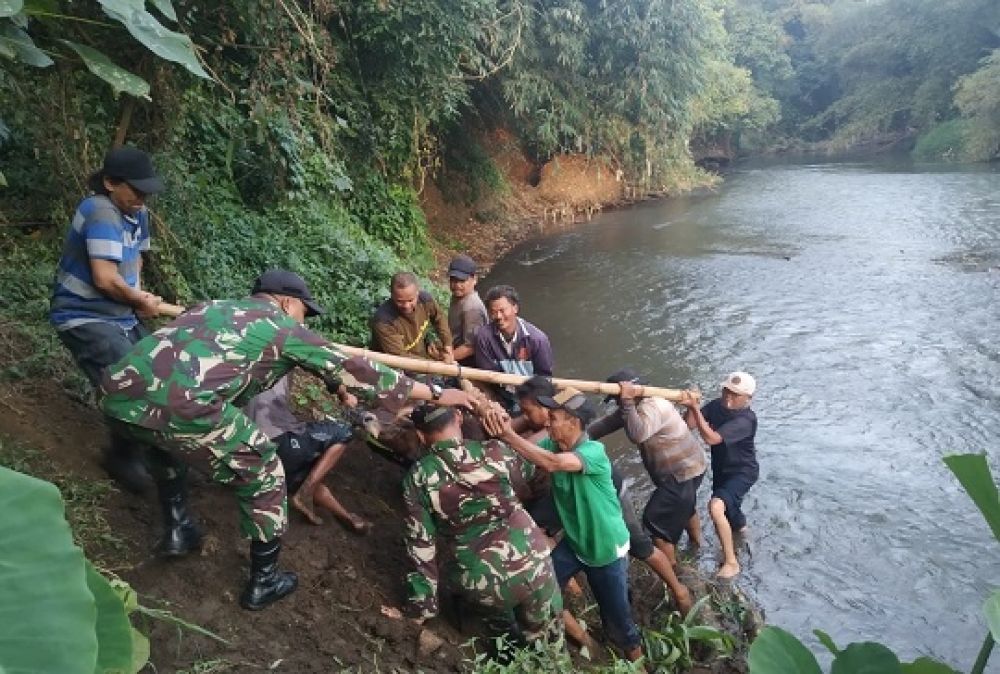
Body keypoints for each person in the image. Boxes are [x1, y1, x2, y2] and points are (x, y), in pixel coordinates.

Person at [98, 269, 470, 610]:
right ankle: (264, 581)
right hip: (185, 406)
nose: (304, 322)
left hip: (119, 395)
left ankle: (179, 529)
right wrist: (438, 394)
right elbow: (356, 369)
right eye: (304, 313)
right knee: (264, 470)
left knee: (164, 439)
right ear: (287, 302)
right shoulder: (281, 326)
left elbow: (322, 368)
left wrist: (336, 384)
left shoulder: (212, 307)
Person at [513, 376, 693, 618]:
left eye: (529, 411)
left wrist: (507, 434)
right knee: (542, 524)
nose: (527, 417)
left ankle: (678, 590)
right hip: (571, 494)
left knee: (639, 546)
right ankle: (576, 592)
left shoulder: (576, 436)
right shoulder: (551, 431)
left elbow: (549, 457)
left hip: (607, 495)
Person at [49, 146, 174, 493]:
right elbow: (104, 278)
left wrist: (139, 299)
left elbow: (135, 263)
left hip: (120, 313)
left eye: (146, 191)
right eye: (136, 190)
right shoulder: (101, 210)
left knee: (159, 371)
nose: (142, 198)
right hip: (83, 314)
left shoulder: (136, 212)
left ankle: (155, 452)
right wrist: (136, 299)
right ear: (109, 182)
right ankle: (122, 456)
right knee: (128, 380)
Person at [486, 387, 643, 662]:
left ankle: (637, 666)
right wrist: (493, 415)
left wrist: (507, 434)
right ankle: (586, 641)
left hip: (605, 550)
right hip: (574, 543)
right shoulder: (554, 444)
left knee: (620, 623)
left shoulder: (592, 451)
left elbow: (552, 463)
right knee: (538, 590)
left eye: (554, 417)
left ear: (574, 422)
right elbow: (530, 450)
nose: (548, 421)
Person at [400, 404, 562, 643]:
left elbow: (421, 546)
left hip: (482, 580)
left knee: (500, 638)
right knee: (549, 640)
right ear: (458, 417)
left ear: (421, 435)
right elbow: (529, 474)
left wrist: (421, 609)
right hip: (534, 561)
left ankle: (503, 651)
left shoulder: (418, 478)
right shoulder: (497, 451)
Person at [590, 369, 707, 567]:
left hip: (680, 473)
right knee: (684, 507)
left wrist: (627, 403)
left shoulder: (652, 406)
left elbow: (638, 434)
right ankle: (698, 547)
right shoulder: (634, 408)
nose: (619, 404)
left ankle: (674, 569)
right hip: (691, 468)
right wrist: (579, 436)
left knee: (655, 525)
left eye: (619, 400)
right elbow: (605, 425)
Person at [243, 374, 371, 534]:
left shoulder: (237, 360)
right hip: (279, 437)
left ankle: (349, 519)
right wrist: (345, 395)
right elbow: (330, 375)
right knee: (344, 432)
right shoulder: (282, 352)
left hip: (255, 449)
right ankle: (306, 492)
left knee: (301, 476)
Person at [682, 371, 758, 579]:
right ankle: (744, 534)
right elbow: (688, 425)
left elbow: (712, 439)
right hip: (722, 469)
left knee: (716, 507)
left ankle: (732, 562)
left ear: (748, 398)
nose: (728, 397)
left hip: (742, 472)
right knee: (729, 509)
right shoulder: (717, 406)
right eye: (726, 390)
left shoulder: (746, 420)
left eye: (735, 394)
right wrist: (691, 405)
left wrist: (696, 409)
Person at [474, 285, 554, 411]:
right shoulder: (484, 338)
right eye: (493, 312)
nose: (498, 316)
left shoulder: (537, 340)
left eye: (502, 310)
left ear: (515, 308)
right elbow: (486, 377)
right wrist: (493, 404)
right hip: (501, 396)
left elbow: (544, 378)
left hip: (530, 399)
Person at [371, 272, 453, 362]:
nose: (406, 305)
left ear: (417, 293)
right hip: (394, 367)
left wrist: (447, 344)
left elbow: (439, 319)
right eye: (400, 301)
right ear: (392, 295)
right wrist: (435, 364)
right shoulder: (384, 321)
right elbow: (399, 357)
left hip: (420, 356)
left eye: (410, 300)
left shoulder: (425, 301)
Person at [446, 255, 487, 367]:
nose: (457, 285)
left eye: (462, 281)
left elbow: (471, 347)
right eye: (453, 280)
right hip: (455, 352)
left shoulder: (472, 308)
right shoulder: (457, 297)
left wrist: (446, 358)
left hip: (469, 363)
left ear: (474, 280)